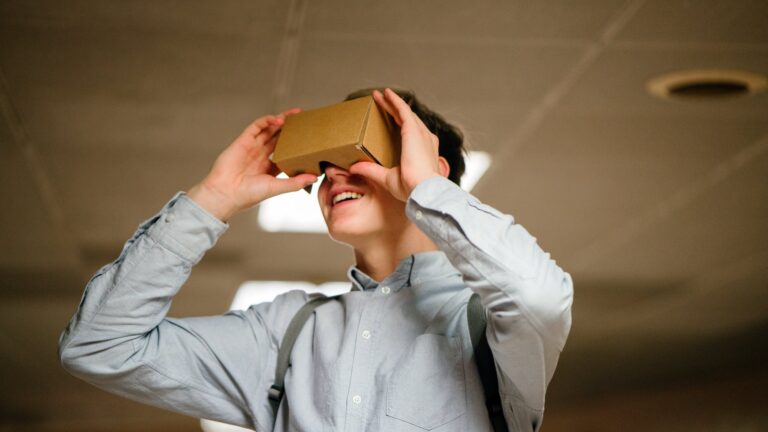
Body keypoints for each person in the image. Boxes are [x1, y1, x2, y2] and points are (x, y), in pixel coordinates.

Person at [59, 88, 573, 431]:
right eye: (327, 167)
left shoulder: (483, 323)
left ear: (428, 171)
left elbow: (540, 298)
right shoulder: (288, 330)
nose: (335, 178)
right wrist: (213, 198)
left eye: (360, 160)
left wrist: (429, 191)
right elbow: (98, 346)